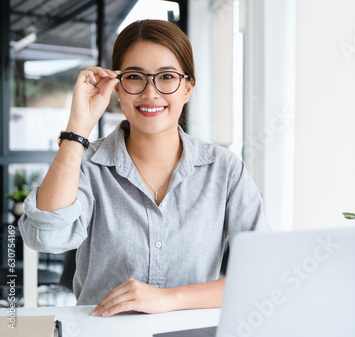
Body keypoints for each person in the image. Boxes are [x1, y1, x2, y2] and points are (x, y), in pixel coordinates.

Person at [18, 19, 269, 317]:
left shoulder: (224, 170)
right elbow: (47, 238)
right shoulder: (87, 165)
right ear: (118, 88)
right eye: (135, 77)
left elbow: (262, 274)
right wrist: (78, 129)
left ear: (187, 88)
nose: (151, 93)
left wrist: (168, 299)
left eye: (166, 77)